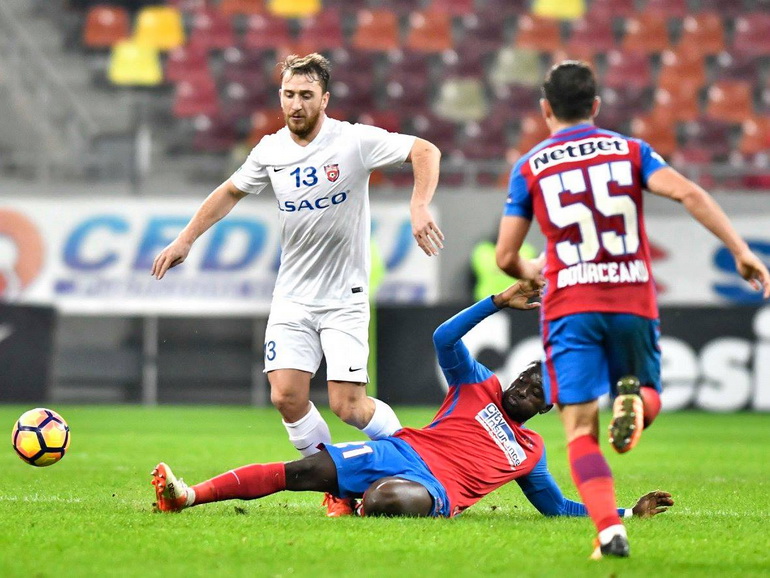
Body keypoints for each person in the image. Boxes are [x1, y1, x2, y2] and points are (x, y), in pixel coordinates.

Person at [495, 61, 770, 558]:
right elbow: (688, 192)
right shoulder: (629, 150)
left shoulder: (531, 166)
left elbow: (504, 257)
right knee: (646, 391)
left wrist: (533, 266)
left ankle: (609, 531)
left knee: (580, 429)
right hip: (631, 295)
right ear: (595, 106)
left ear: (545, 109)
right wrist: (740, 250)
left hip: (570, 303)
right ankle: (637, 406)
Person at [150, 53, 445, 516]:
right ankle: (337, 489)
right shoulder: (270, 150)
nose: (296, 104)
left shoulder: (353, 141)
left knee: (348, 406)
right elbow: (230, 191)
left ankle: (418, 461)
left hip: (344, 298)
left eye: (306, 95)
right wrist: (186, 239)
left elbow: (425, 150)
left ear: (324, 99)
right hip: (292, 297)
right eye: (289, 94)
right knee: (286, 397)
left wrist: (418, 205)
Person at [151, 279, 674, 529]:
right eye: (529, 378)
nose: (527, 389)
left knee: (388, 502)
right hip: (400, 452)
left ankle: (354, 499)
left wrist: (629, 511)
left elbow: (558, 508)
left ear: (547, 409)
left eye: (539, 393)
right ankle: (188, 495)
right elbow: (445, 337)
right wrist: (494, 302)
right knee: (302, 470)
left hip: (434, 489)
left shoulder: (529, 451)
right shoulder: (478, 385)